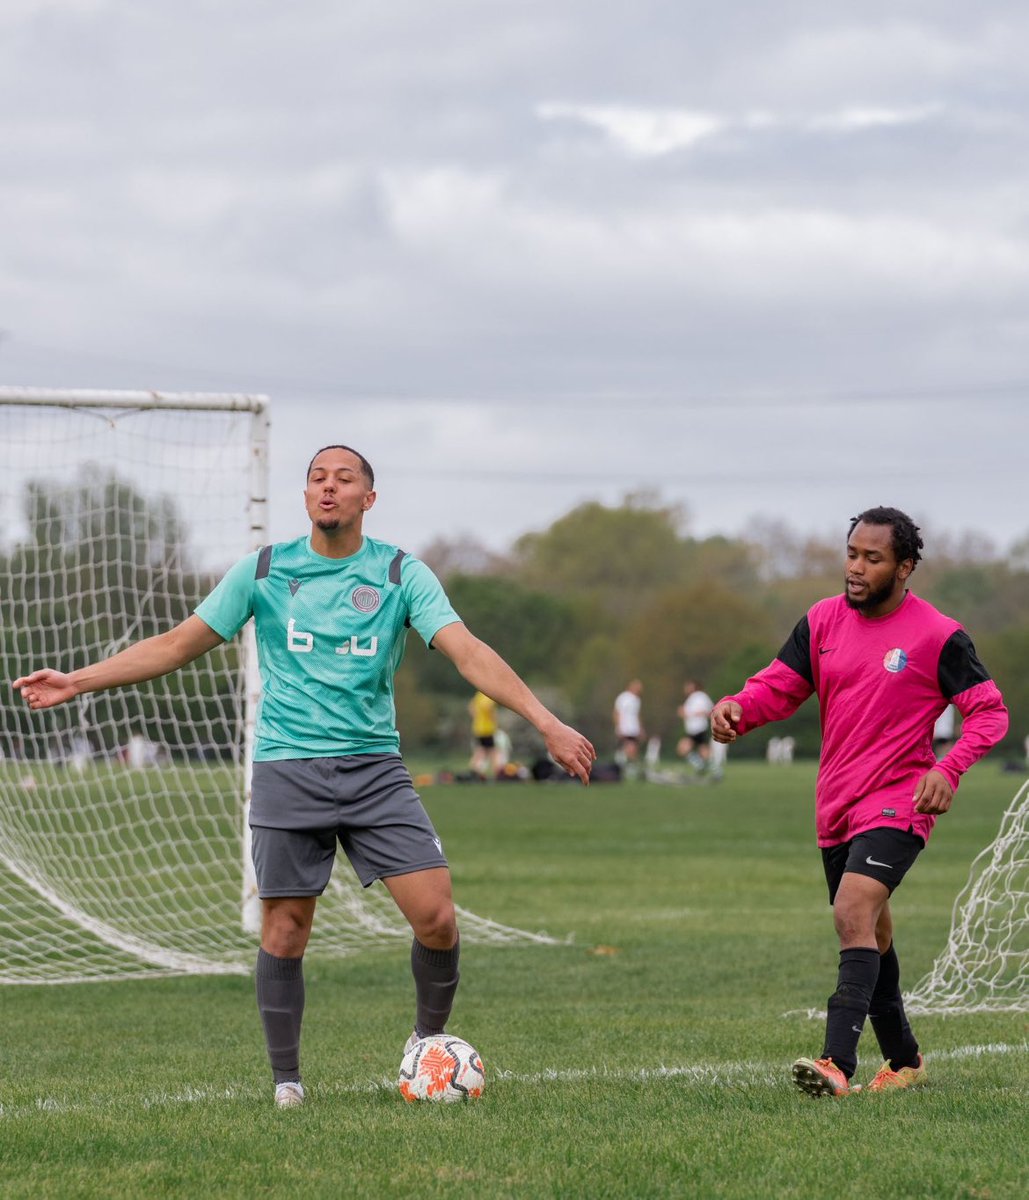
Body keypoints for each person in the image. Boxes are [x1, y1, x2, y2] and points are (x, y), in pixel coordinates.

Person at [13, 444, 596, 1109]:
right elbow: (176, 644)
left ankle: (425, 1044)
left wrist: (545, 721)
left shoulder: (402, 572)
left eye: (343, 479)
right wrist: (77, 682)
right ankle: (287, 1082)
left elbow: (468, 652)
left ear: (366, 500)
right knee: (285, 929)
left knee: (435, 916)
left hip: (375, 769)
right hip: (288, 770)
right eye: (317, 478)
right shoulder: (264, 570)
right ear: (305, 494)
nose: (327, 488)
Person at [711, 506, 1007, 1099]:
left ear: (905, 568)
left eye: (873, 558)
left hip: (901, 798)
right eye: (852, 554)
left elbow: (989, 711)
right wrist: (739, 708)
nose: (856, 567)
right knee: (873, 932)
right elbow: (780, 685)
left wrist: (947, 769)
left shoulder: (938, 635)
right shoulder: (822, 621)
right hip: (836, 804)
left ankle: (835, 1064)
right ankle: (904, 1058)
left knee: (852, 910)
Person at [676, 679, 714, 771]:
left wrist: (701, 713)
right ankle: (707, 767)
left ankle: (705, 767)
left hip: (699, 728)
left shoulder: (701, 696)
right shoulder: (690, 698)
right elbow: (685, 713)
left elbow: (711, 710)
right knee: (703, 751)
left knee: (683, 748)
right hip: (692, 729)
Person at [612, 680, 644, 777]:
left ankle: (627, 767)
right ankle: (621, 767)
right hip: (625, 728)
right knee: (629, 748)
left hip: (634, 729)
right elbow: (617, 712)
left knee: (633, 750)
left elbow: (637, 715)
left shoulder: (637, 700)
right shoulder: (623, 698)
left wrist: (640, 728)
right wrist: (618, 726)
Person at [468, 690, 501, 779]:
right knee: (493, 751)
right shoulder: (488, 696)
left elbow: (471, 707)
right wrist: (495, 721)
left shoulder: (478, 695)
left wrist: (477, 718)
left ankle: (473, 771)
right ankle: (498, 773)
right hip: (487, 729)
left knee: (481, 751)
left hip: (478, 728)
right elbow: (488, 708)